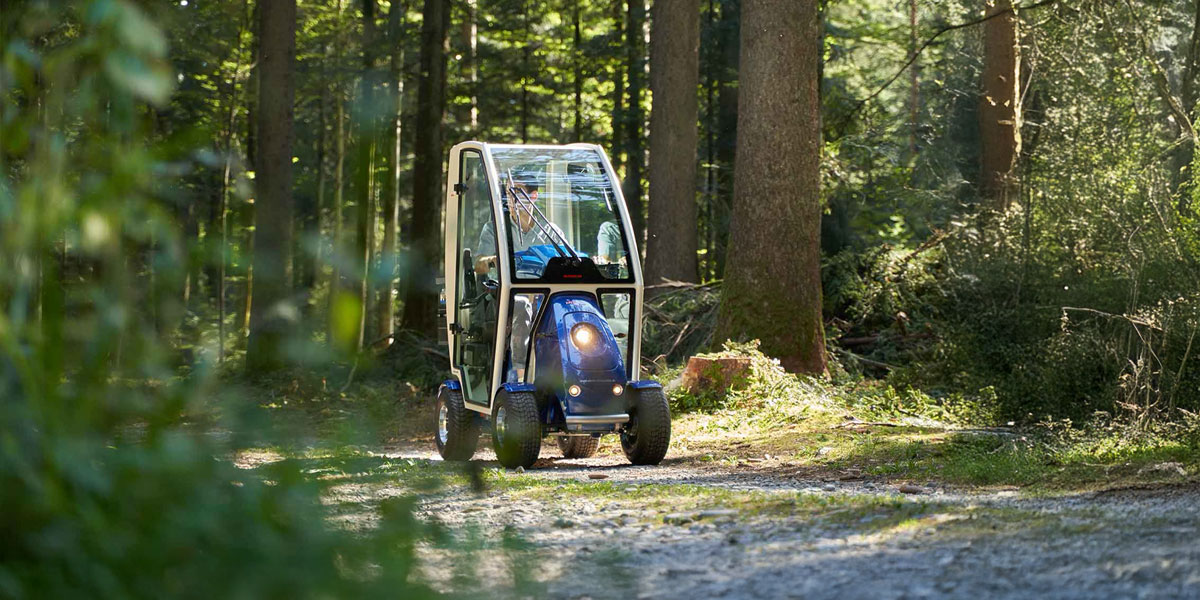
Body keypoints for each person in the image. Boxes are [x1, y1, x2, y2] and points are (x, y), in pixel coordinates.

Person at [471, 174, 565, 380]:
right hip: (504, 297)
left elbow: (567, 262)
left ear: (534, 196)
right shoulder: (495, 228)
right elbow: (478, 266)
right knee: (522, 303)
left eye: (517, 194)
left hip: (543, 297)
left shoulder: (549, 231)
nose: (511, 200)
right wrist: (495, 259)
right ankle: (522, 377)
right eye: (508, 194)